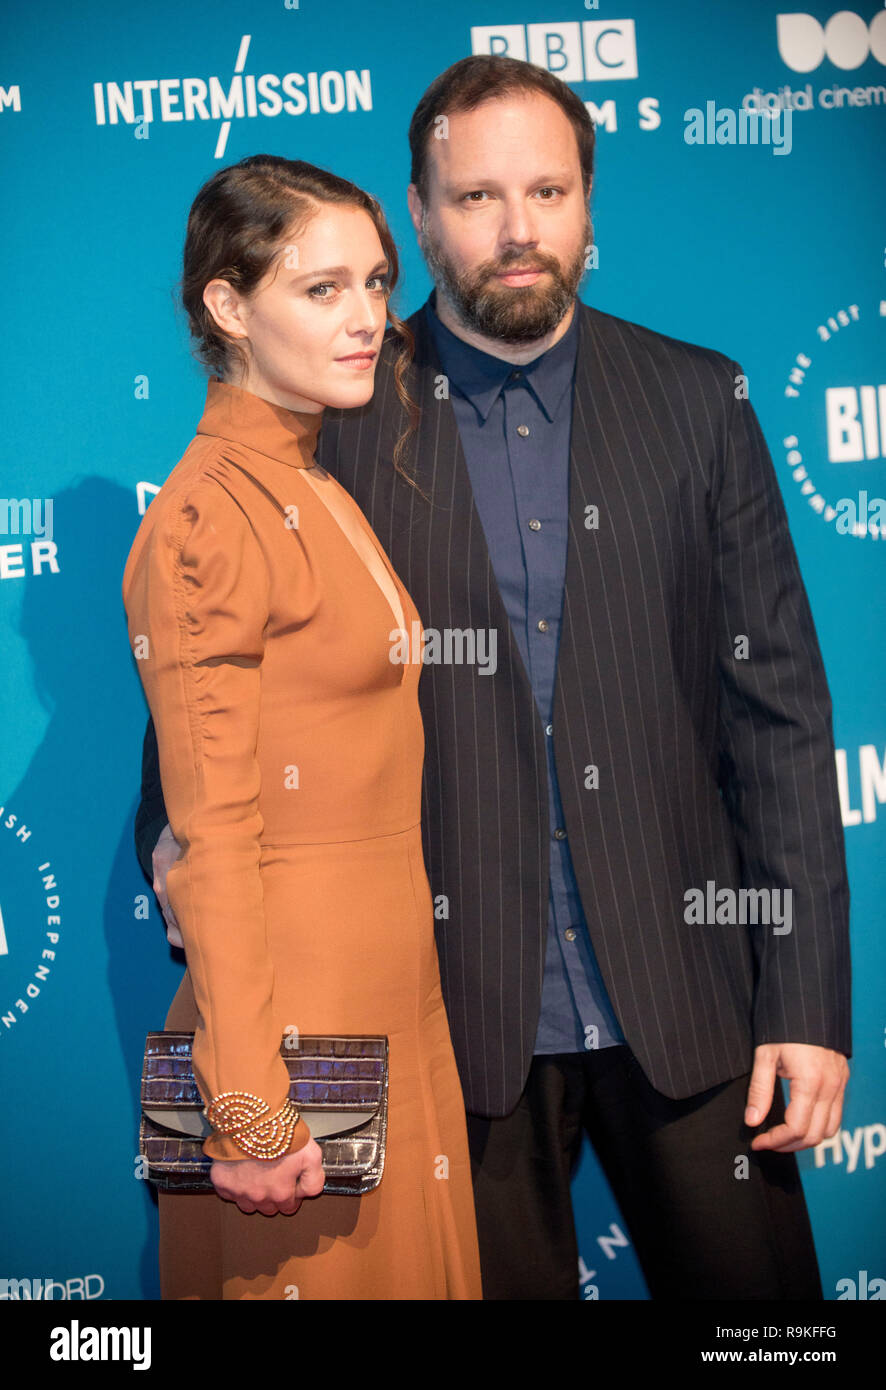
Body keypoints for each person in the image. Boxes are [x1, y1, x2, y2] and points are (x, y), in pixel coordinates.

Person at [137, 56, 851, 1300]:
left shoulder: (699, 398)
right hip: (443, 1021)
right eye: (475, 199)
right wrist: (198, 918)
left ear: (588, 204)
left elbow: (780, 712)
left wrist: (805, 995)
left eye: (547, 191)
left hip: (689, 1011)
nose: (517, 231)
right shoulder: (335, 410)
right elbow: (208, 722)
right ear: (418, 214)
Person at [122, 155, 482, 1300]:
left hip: (390, 998)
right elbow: (213, 833)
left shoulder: (318, 480)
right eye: (320, 290)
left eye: (375, 284)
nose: (369, 318)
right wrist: (244, 1111)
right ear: (228, 307)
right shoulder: (204, 520)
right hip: (290, 1041)